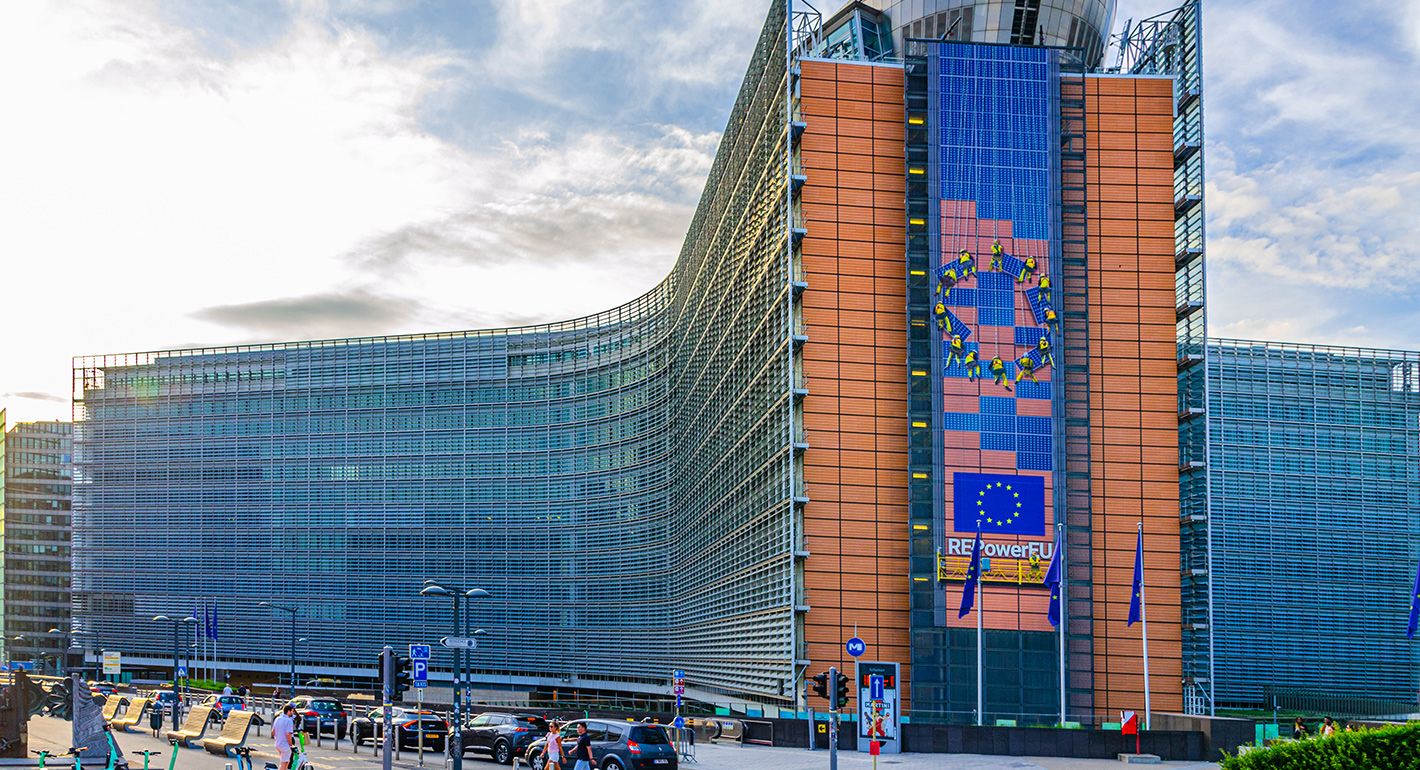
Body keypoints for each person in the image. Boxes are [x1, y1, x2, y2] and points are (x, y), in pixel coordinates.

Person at [273, 704, 298, 770]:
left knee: (285, 762)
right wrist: (291, 745)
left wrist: (277, 738)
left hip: (278, 744)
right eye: (292, 711)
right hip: (285, 745)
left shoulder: (277, 719)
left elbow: (273, 732)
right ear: (288, 711)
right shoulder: (289, 721)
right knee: (284, 763)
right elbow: (288, 734)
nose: (292, 713)